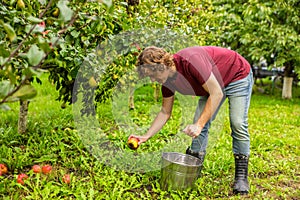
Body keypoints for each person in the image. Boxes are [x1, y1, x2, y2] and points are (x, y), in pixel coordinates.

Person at [129, 46, 253, 195]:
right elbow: (165, 112)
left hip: (236, 75)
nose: (153, 80)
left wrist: (199, 125)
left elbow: (216, 93)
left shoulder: (191, 61)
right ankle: (193, 167)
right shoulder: (167, 81)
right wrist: (146, 136)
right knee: (199, 121)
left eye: (153, 74)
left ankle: (241, 176)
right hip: (214, 85)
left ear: (162, 65)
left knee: (237, 122)